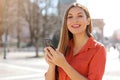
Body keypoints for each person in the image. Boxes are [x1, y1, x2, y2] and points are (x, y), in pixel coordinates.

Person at [44, 2, 106, 80]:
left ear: (88, 21)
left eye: (79, 16)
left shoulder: (98, 49)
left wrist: (64, 65)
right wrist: (52, 65)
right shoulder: (63, 49)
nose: (74, 20)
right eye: (70, 17)